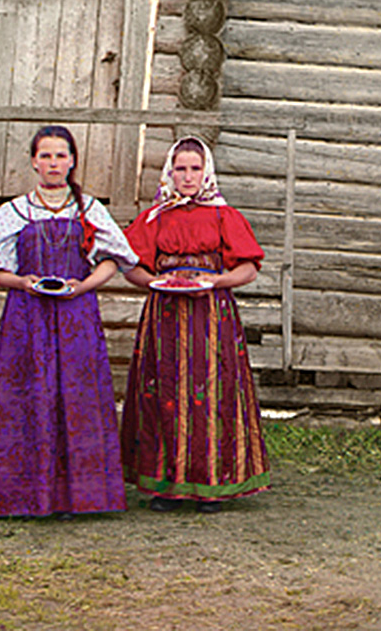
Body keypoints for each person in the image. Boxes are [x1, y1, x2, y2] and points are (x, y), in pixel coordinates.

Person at [0, 125, 139, 519]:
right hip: (27, 317)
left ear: (73, 161)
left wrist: (83, 286)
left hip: (76, 316)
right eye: (45, 155)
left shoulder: (90, 209)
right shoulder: (13, 212)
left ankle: (77, 497)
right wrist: (23, 282)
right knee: (30, 395)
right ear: (34, 161)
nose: (53, 163)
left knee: (77, 396)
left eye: (61, 155)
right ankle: (26, 496)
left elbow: (113, 260)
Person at [120, 136, 270, 513]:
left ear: (207, 171)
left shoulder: (224, 215)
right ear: (170, 171)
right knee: (164, 391)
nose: (188, 177)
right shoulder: (155, 217)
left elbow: (249, 268)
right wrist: (154, 282)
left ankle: (211, 484)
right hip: (165, 315)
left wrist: (216, 281)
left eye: (195, 168)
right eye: (181, 169)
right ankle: (165, 485)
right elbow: (130, 266)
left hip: (210, 316)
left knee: (211, 392)